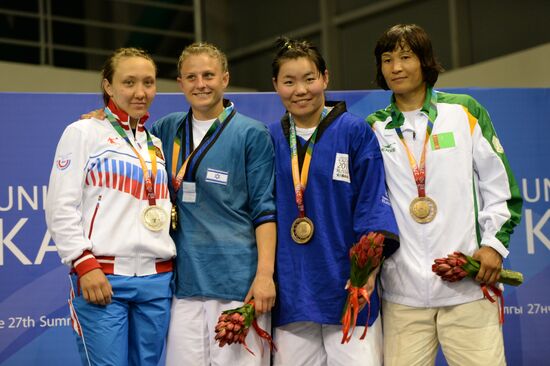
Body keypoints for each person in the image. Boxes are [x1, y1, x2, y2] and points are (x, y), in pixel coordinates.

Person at [367, 24, 523, 366]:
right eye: (387, 59)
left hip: (466, 287)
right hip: (401, 295)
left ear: (425, 62)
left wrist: (494, 245)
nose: (396, 67)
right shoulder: (372, 128)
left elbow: (501, 189)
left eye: (406, 57)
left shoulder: (464, 112)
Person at [269, 37, 399, 366]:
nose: (300, 90)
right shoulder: (268, 139)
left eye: (309, 79)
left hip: (349, 288)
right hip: (292, 291)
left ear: (325, 78)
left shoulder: (355, 132)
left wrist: (366, 272)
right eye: (289, 81)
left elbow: (372, 204)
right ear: (275, 86)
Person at [45, 48, 177, 366]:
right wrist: (83, 264)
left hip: (157, 280)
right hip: (103, 277)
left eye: (148, 82)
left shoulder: (154, 143)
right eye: (129, 82)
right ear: (108, 86)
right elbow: (60, 205)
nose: (140, 92)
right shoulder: (83, 133)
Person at [150, 42, 277, 366]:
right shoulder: (167, 129)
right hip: (185, 284)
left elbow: (265, 209)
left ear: (225, 78)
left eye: (208, 75)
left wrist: (265, 275)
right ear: (180, 83)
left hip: (238, 281)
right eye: (191, 77)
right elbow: (128, 140)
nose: (200, 84)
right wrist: (100, 120)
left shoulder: (251, 133)